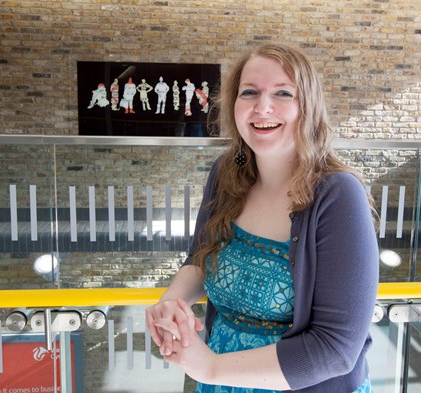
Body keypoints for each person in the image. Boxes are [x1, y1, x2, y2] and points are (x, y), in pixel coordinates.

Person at [145, 43, 379, 393]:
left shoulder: (337, 195)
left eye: (283, 93)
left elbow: (335, 349)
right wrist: (171, 303)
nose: (262, 107)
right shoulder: (227, 172)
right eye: (249, 92)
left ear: (308, 107)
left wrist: (210, 367)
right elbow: (200, 255)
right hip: (219, 382)